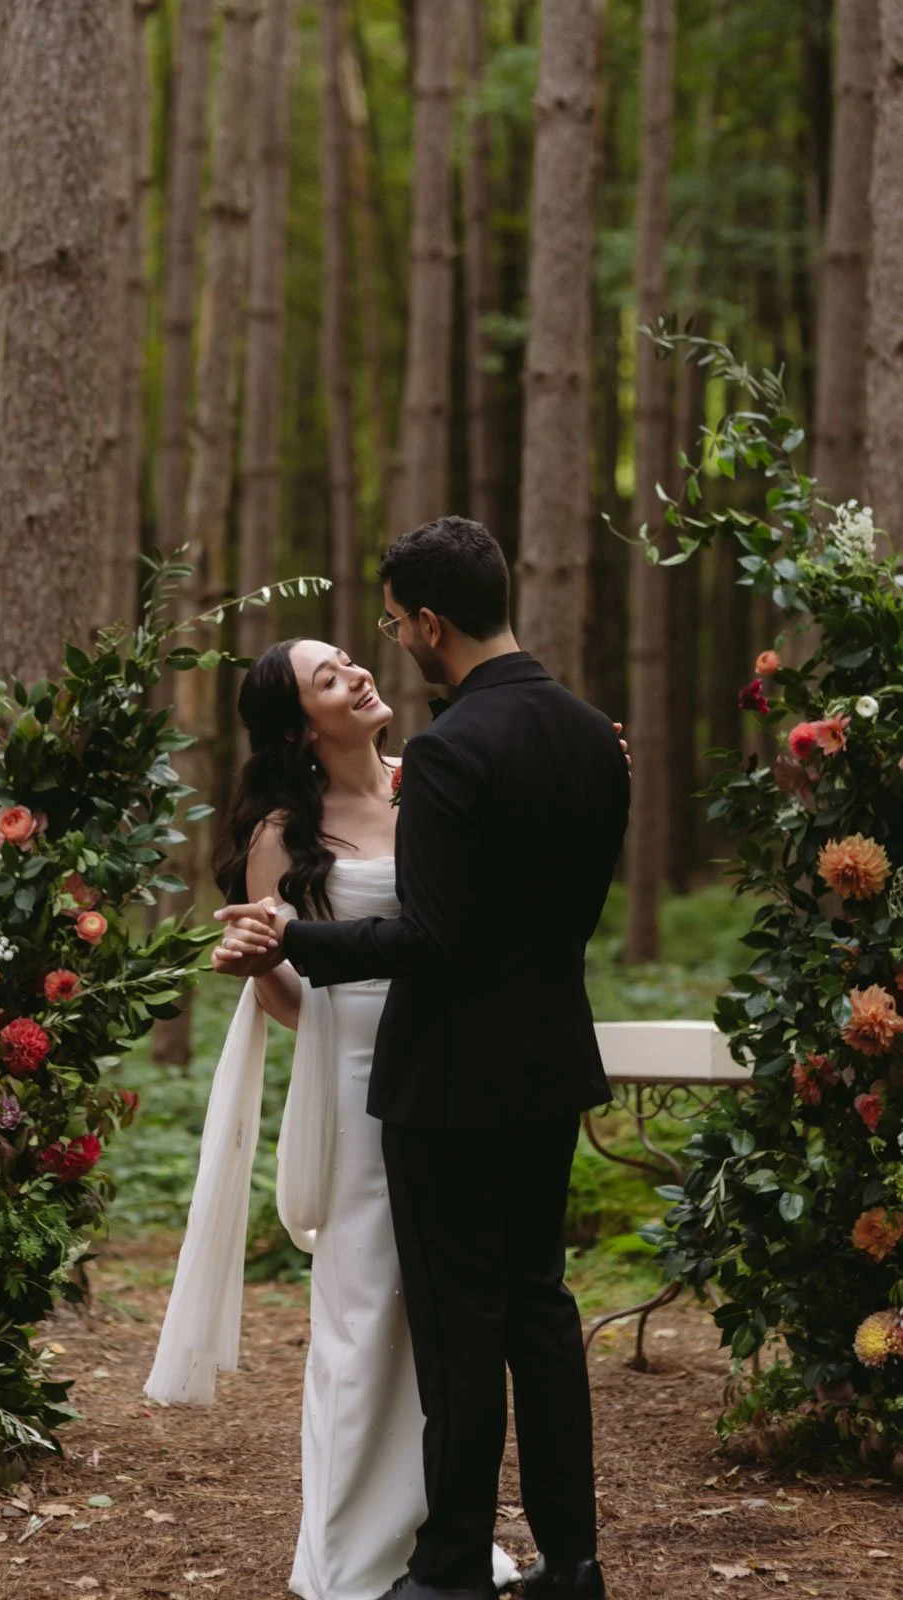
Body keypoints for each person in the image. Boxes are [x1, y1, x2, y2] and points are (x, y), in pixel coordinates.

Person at [215, 516, 631, 1600]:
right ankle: (571, 1562)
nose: (386, 641)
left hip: (447, 1079)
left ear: (431, 621)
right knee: (540, 1313)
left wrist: (288, 934)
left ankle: (444, 1568)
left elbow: (434, 936)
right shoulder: (593, 736)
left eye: (394, 622)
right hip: (549, 1063)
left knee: (455, 1334)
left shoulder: (446, 750)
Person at [146, 630, 521, 1600]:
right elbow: (273, 977)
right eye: (328, 676)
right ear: (297, 725)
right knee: (363, 1308)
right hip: (353, 1076)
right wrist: (304, 1007)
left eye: (351, 659)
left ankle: (436, 1539)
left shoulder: (421, 780)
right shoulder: (281, 830)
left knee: (436, 1317)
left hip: (446, 1064)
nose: (356, 673)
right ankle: (351, 1551)